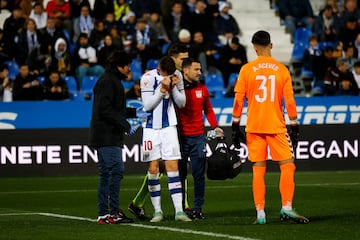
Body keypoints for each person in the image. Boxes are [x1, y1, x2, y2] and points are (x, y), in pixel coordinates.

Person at [231, 30, 309, 225]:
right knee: (288, 165)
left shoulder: (247, 69)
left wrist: (234, 125)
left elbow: (238, 100)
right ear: (271, 45)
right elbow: (289, 100)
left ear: (254, 48)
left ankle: (260, 213)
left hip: (254, 126)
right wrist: (294, 123)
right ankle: (287, 207)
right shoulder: (281, 69)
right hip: (276, 125)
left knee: (258, 169)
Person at [128, 43, 189, 220]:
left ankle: (179, 211)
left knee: (173, 167)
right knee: (153, 168)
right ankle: (157, 211)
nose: (168, 76)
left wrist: (175, 88)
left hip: (169, 126)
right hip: (150, 129)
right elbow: (147, 106)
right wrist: (162, 90)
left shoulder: (177, 75)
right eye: (165, 74)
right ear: (159, 69)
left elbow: (182, 103)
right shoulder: (147, 78)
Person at [89, 50, 142, 225]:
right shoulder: (108, 82)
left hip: (106, 135)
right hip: (107, 136)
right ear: (119, 66)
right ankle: (113, 213)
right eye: (127, 66)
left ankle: (104, 214)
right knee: (115, 172)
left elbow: (113, 108)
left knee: (107, 174)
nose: (129, 70)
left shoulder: (110, 80)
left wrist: (138, 112)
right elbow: (104, 109)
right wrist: (126, 125)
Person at [177, 58, 224, 220]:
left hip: (198, 138)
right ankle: (181, 208)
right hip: (180, 138)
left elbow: (208, 110)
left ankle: (198, 208)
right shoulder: (177, 90)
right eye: (196, 69)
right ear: (186, 71)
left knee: (198, 175)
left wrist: (215, 126)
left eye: (200, 69)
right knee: (180, 175)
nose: (199, 72)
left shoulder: (202, 89)